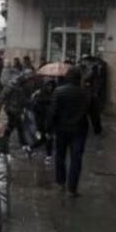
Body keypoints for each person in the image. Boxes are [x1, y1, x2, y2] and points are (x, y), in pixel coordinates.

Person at [50, 67, 90, 197]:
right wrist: (98, 128)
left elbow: (53, 112)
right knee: (76, 159)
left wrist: (48, 128)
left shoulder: (58, 91)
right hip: (79, 129)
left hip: (61, 129)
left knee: (60, 156)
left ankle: (60, 181)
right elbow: (93, 112)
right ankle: (72, 188)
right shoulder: (86, 93)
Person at [0, 74, 30, 154]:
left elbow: (22, 100)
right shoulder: (12, 87)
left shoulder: (21, 88)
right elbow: (1, 97)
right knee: (13, 127)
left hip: (16, 110)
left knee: (18, 127)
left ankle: (23, 145)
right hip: (12, 111)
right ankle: (3, 145)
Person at [30, 79, 56, 162]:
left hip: (50, 120)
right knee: (48, 137)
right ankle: (49, 155)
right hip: (43, 121)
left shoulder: (54, 94)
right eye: (48, 86)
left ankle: (31, 148)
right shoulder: (40, 96)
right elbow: (36, 109)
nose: (50, 87)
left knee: (44, 139)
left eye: (51, 86)